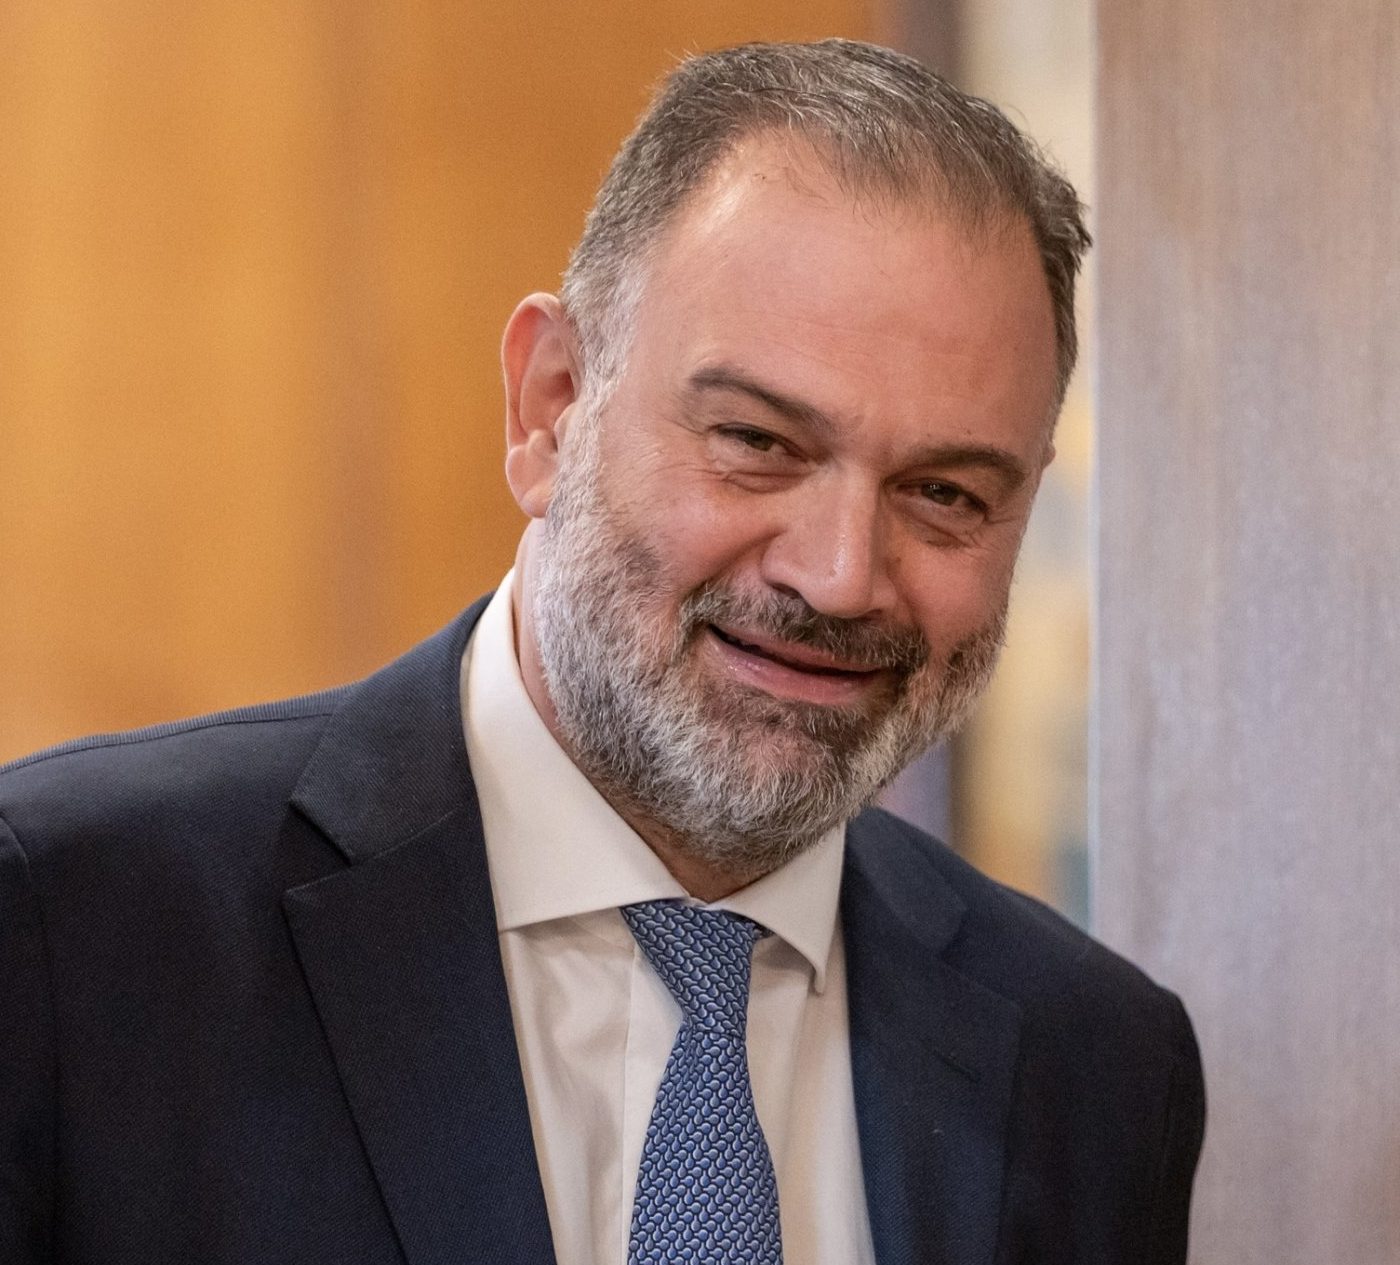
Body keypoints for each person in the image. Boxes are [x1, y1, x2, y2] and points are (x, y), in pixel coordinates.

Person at [0, 38, 1204, 1265]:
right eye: (756, 441)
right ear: (549, 405)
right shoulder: (66, 926)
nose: (841, 573)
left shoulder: (1093, 1066)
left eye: (944, 492)